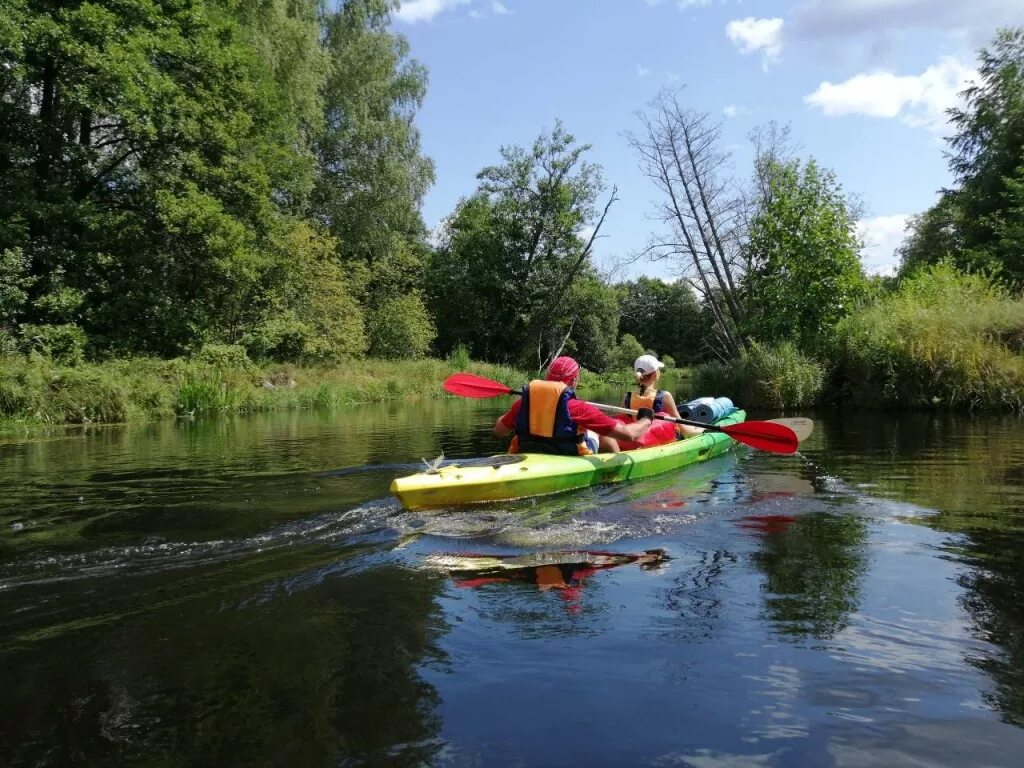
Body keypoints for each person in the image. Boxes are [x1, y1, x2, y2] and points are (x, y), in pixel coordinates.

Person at [493, 356, 655, 454]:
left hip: (529, 452)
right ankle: (615, 467)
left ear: (548, 376)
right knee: (600, 431)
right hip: (567, 455)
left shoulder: (523, 403)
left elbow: (498, 430)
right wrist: (646, 419)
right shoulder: (579, 408)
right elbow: (629, 434)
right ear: (575, 380)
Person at [622, 354, 703, 443]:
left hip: (636, 440)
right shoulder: (664, 396)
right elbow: (683, 428)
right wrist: (700, 429)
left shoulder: (627, 397)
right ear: (655, 374)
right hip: (658, 442)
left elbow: (622, 421)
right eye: (658, 370)